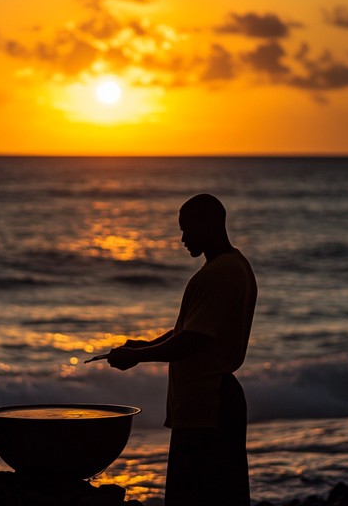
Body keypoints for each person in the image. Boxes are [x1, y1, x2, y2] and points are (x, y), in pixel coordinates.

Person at [106, 193, 257, 506]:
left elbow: (194, 341)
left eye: (188, 229)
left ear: (210, 224)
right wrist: (147, 344)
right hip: (204, 405)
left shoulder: (220, 273)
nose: (183, 238)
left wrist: (136, 357)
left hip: (209, 404)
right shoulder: (232, 265)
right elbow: (191, 330)